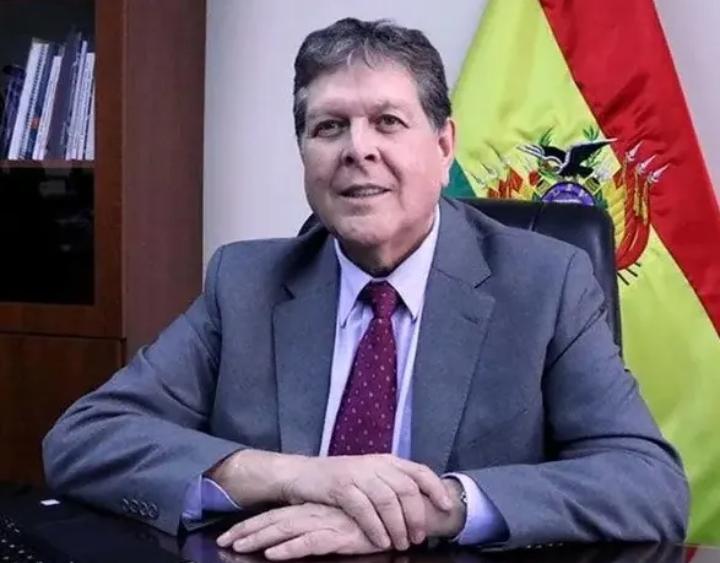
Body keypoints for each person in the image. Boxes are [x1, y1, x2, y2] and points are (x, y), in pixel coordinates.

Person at [43, 17, 688, 560]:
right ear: (305, 155)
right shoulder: (245, 283)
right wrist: (293, 477)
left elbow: (648, 484)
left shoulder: (545, 282)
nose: (358, 150)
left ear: (444, 145)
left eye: (387, 121)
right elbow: (84, 439)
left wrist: (434, 509)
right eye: (329, 127)